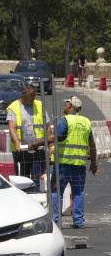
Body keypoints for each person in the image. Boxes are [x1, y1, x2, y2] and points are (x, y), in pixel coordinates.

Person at [51, 96, 98, 228]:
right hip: (79, 165)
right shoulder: (86, 122)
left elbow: (58, 136)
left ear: (71, 106)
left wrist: (40, 142)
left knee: (56, 191)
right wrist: (93, 163)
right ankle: (78, 221)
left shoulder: (65, 120)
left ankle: (54, 221)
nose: (65, 105)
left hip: (63, 163)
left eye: (67, 103)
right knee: (78, 192)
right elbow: (92, 144)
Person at [7, 83, 50, 180]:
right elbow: (12, 128)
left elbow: (47, 127)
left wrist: (49, 145)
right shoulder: (13, 108)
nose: (33, 99)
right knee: (23, 178)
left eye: (34, 96)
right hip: (22, 150)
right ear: (23, 95)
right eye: (30, 96)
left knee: (38, 177)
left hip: (38, 148)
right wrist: (17, 144)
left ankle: (37, 190)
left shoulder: (39, 105)